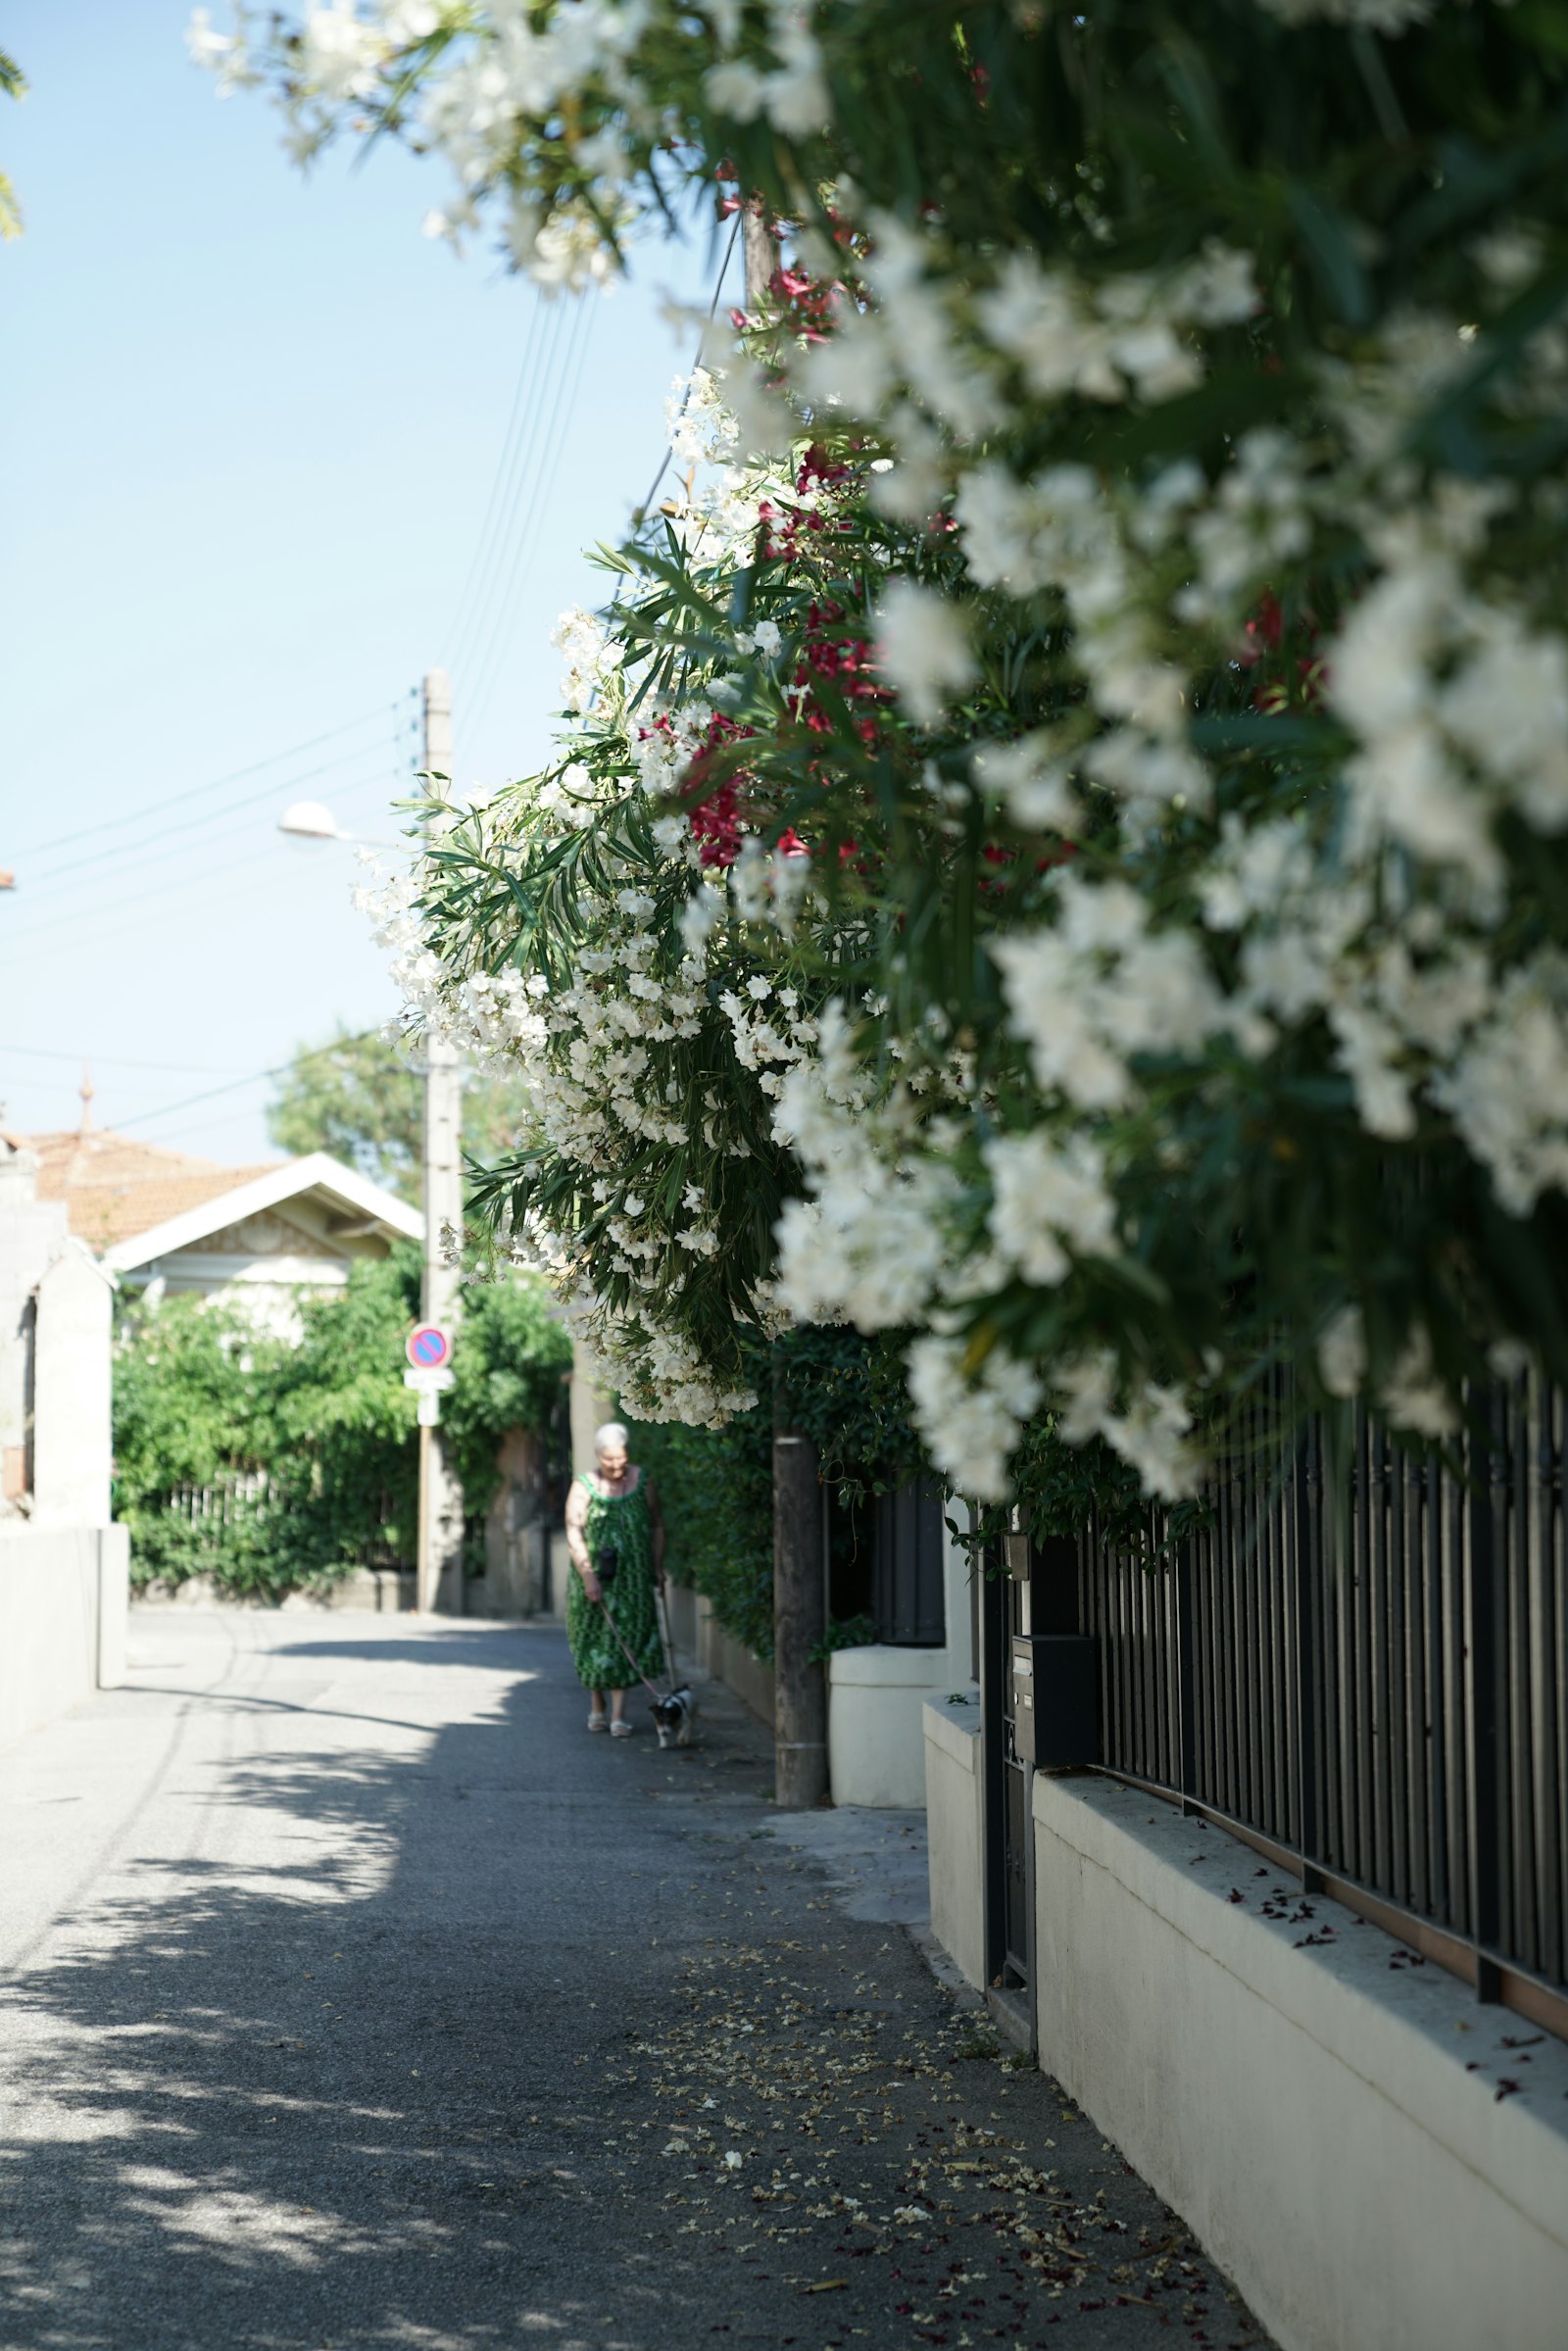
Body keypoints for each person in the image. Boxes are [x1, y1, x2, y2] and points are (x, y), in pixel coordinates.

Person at [564, 1421, 666, 1737]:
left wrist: (657, 1566)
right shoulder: (584, 1486)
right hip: (593, 1579)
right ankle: (598, 1706)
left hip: (633, 1579)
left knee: (628, 1644)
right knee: (594, 1642)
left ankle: (619, 1715)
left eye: (621, 1459)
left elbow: (657, 1525)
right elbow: (573, 1531)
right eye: (609, 1460)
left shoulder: (643, 1481)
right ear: (598, 1456)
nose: (616, 1465)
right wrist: (588, 1575)